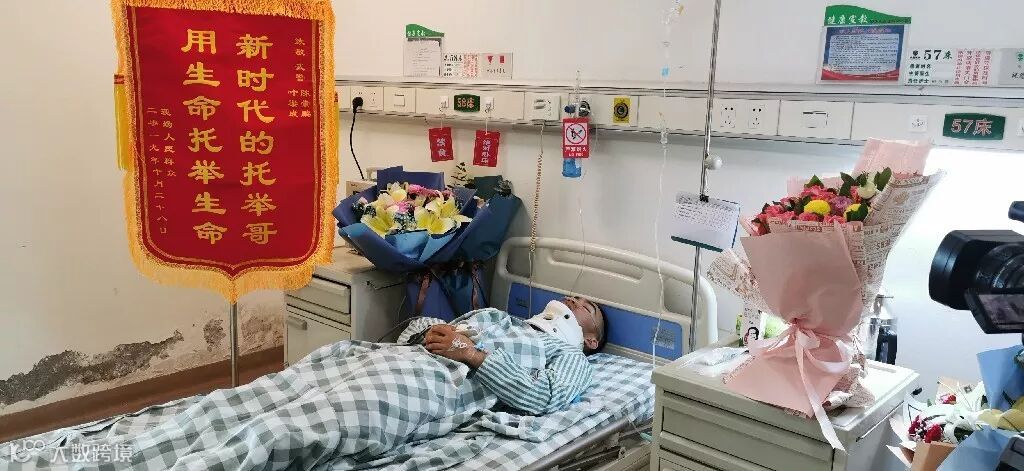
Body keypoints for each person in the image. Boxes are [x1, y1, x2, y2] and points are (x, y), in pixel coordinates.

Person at [408, 295, 606, 415]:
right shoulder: (504, 319)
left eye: (587, 307)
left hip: (430, 387)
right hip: (408, 357)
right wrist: (433, 332)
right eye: (574, 297)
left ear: (591, 341)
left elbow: (546, 395)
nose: (573, 300)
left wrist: (471, 353)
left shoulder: (571, 354)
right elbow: (414, 327)